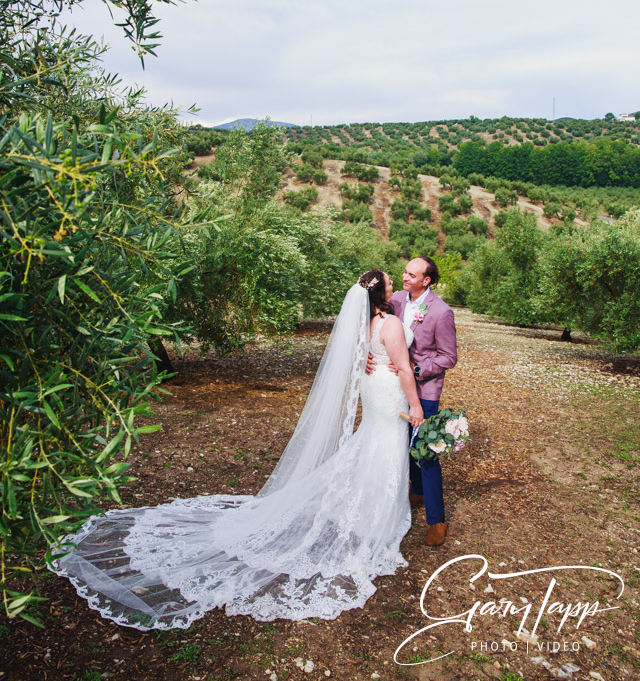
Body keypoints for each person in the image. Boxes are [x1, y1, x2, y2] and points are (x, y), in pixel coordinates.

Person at [49, 271, 424, 630]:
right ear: (379, 291)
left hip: (374, 389)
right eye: (390, 281)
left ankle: (367, 506)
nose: (395, 283)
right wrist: (416, 404)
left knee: (372, 447)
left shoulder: (367, 323)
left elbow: (361, 356)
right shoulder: (389, 323)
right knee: (384, 448)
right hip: (390, 392)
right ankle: (375, 515)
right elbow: (404, 369)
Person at [365, 256, 457, 547]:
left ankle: (436, 521)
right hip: (393, 389)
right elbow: (377, 330)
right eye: (404, 272)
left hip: (424, 391)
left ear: (426, 280)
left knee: (427, 453)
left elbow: (449, 357)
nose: (404, 277)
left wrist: (417, 369)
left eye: (411, 274)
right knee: (401, 445)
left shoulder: (442, 312)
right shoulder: (398, 300)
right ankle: (415, 492)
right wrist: (368, 356)